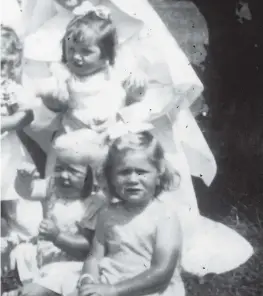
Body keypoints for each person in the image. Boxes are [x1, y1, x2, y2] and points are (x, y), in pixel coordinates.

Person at [20, 0, 253, 275]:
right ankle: (78, 246)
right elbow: (39, 114)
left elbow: (169, 86)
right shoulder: (42, 37)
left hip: (133, 137)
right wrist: (55, 108)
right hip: (76, 144)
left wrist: (124, 118)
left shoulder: (129, 22)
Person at [33, 4, 147, 176]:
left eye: (86, 52)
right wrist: (49, 94)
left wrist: (136, 91)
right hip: (72, 142)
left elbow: (134, 100)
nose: (76, 57)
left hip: (109, 141)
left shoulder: (115, 75)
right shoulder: (64, 75)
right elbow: (41, 89)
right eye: (71, 49)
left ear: (106, 56)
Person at [77, 130, 184, 296]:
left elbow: (162, 271)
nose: (133, 180)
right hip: (110, 284)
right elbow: (94, 257)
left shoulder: (165, 216)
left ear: (158, 174)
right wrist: (88, 280)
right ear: (110, 176)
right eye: (124, 172)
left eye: (141, 172)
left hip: (149, 289)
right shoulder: (107, 213)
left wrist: (113, 290)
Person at [10, 131, 106, 296]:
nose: (63, 175)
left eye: (73, 171)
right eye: (59, 168)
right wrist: (23, 181)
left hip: (72, 265)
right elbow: (28, 192)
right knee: (22, 254)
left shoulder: (94, 203)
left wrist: (57, 237)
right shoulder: (52, 188)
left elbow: (87, 246)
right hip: (45, 257)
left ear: (91, 175)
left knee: (33, 292)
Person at [1, 26, 44, 257]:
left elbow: (27, 114)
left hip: (6, 152)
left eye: (2, 64)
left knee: (12, 198)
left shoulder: (8, 89)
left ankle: (26, 241)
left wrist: (6, 122)